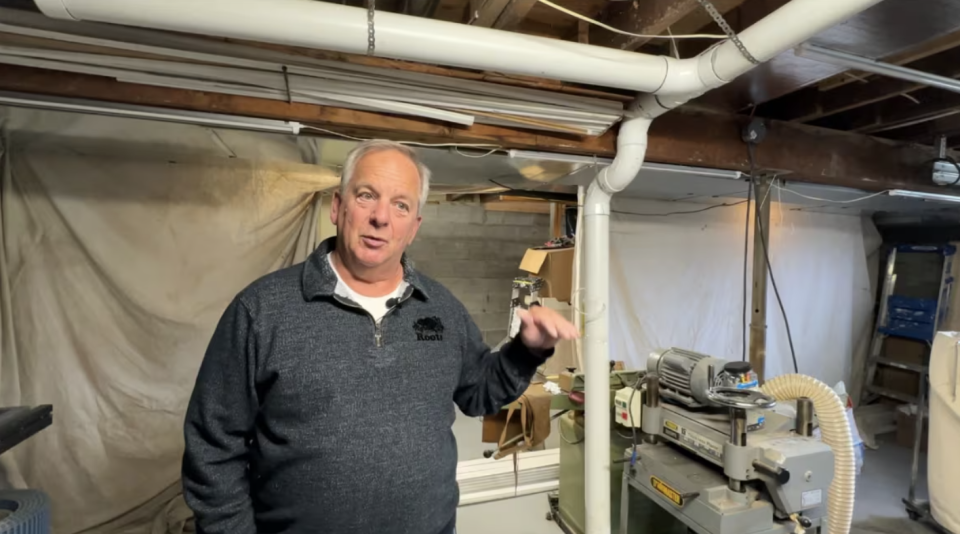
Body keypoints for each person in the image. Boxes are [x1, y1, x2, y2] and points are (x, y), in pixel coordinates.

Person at [182, 139, 578, 534]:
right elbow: (213, 445)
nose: (381, 217)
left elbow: (479, 393)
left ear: (414, 228)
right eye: (367, 195)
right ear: (338, 207)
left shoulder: (441, 308)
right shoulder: (262, 310)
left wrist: (527, 351)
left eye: (401, 205)